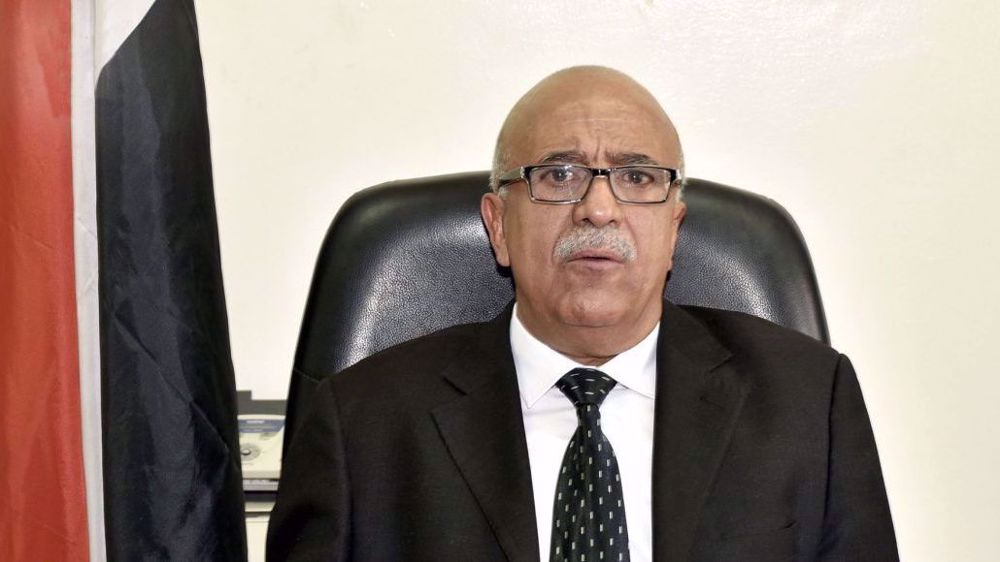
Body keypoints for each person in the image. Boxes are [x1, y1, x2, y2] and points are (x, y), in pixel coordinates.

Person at [266, 66, 898, 561]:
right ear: (499, 225)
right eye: (560, 174)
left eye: (639, 177)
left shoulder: (808, 401)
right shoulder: (362, 424)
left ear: (674, 228)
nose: (598, 208)